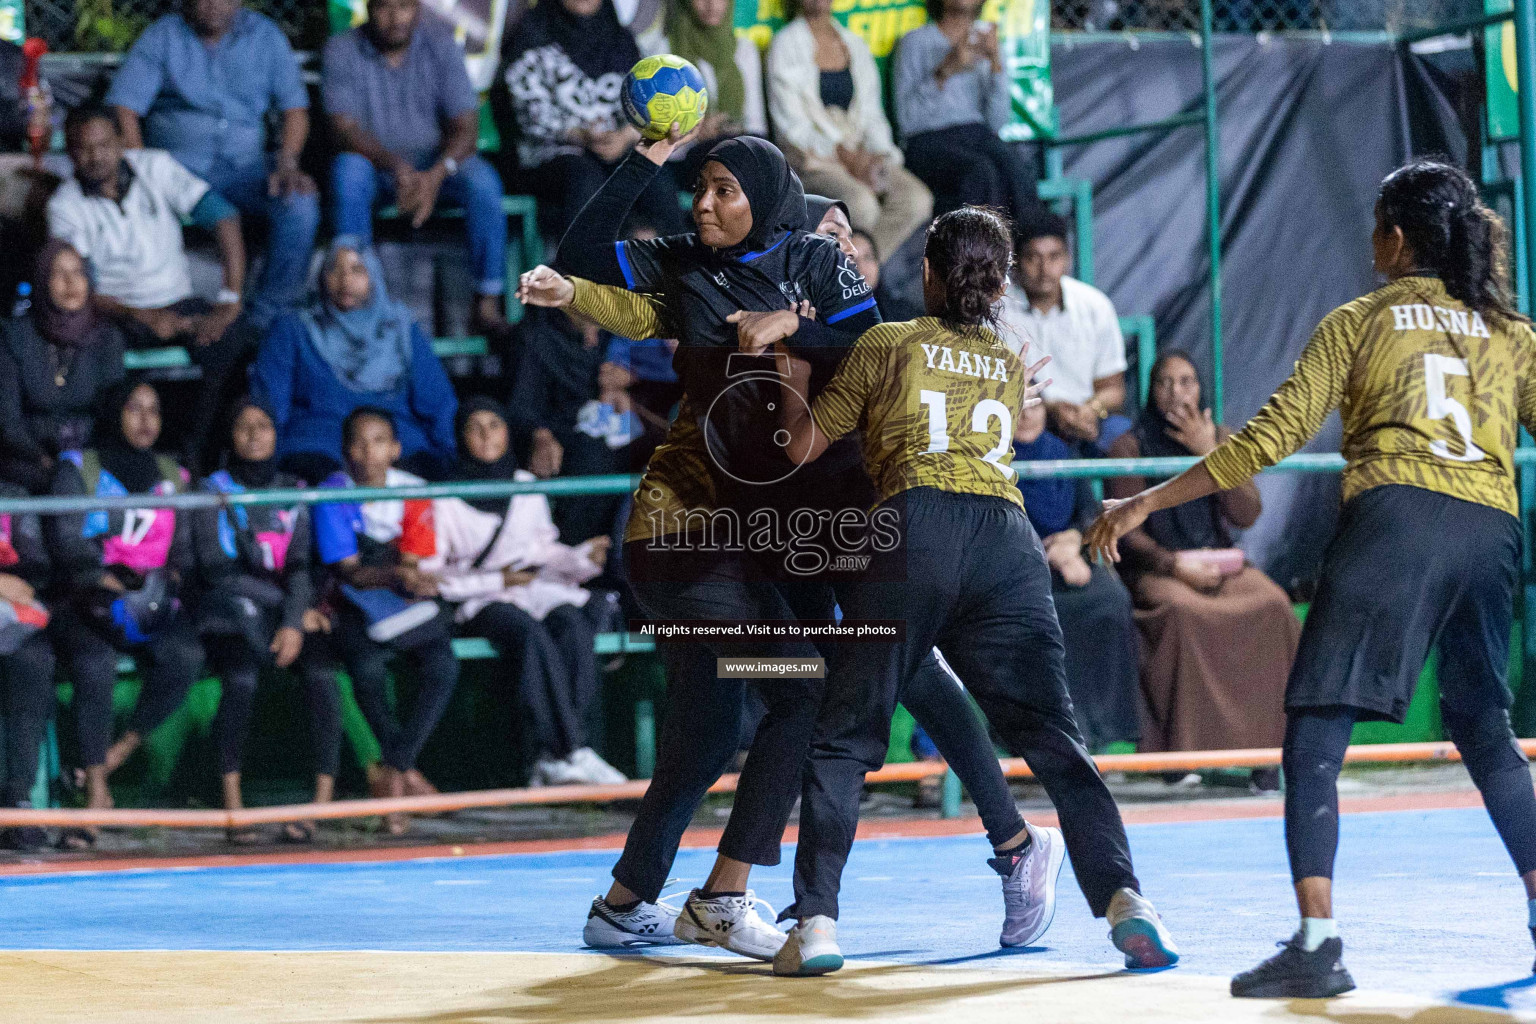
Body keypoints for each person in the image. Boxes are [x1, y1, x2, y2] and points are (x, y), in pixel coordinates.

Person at [523, 139, 1069, 962]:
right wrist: (592, 264)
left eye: (853, 237)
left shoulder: (852, 341)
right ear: (792, 257)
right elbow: (655, 306)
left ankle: (628, 900)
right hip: (710, 541)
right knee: (817, 687)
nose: (845, 247)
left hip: (769, 540)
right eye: (828, 234)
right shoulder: (736, 318)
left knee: (713, 729)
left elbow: (895, 352)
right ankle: (735, 893)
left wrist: (999, 379)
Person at [1088, 159, 1536, 999]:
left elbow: (1265, 439)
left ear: (1397, 239)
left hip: (1397, 516)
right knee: (1485, 728)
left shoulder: (1361, 320)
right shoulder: (1507, 330)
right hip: (1490, 529)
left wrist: (1149, 498)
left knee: (1315, 732)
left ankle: (1319, 940)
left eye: (1376, 224)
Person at [766, 206, 1177, 976]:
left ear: (927, 271)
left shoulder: (887, 342)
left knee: (846, 736)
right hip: (1007, 544)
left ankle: (817, 922)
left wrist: (786, 368)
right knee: (1055, 738)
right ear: (999, 282)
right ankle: (1127, 900)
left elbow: (800, 446)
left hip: (913, 530)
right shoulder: (1007, 358)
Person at [1104, 352, 1298, 774]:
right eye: (1166, 383)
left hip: (1220, 564)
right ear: (1151, 391)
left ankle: (1270, 757)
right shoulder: (1129, 445)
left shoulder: (1221, 438)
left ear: (1201, 389)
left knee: (1274, 605)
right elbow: (1126, 531)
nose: (1177, 392)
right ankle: (1184, 759)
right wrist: (1173, 565)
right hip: (1159, 569)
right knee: (1181, 613)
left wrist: (1208, 451)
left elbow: (1247, 513)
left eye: (1187, 381)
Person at [418, 396, 626, 786]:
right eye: (475, 427)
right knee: (529, 635)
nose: (486, 435)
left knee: (572, 625)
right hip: (480, 598)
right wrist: (500, 582)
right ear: (460, 436)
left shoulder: (525, 485)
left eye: (494, 425)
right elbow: (437, 577)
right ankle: (572, 750)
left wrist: (583, 558)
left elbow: (541, 551)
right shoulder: (444, 496)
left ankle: (556, 756)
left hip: (533, 588)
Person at [48, 105, 255, 474]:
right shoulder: (65, 206)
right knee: (97, 349)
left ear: (122, 144)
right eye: (83, 149)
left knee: (232, 336)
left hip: (176, 300)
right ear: (70, 153)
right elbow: (79, 286)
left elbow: (224, 217)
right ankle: (109, 464)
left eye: (104, 145)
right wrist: (144, 316)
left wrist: (230, 299)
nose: (95, 157)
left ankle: (199, 459)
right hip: (113, 311)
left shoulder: (156, 167)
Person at [45, 381, 204, 848]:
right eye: (134, 409)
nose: (145, 420)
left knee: (186, 655)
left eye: (153, 410)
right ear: (114, 413)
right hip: (87, 600)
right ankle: (96, 789)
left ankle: (114, 754)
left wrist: (164, 580)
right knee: (94, 666)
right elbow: (65, 539)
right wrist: (102, 576)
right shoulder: (79, 469)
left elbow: (182, 550)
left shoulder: (173, 474)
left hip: (147, 604)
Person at [106, 0, 320, 330]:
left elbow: (295, 109)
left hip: (247, 171)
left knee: (299, 203)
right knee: (138, 205)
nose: (212, 4)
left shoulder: (265, 36)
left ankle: (268, 319)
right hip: (180, 176)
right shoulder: (163, 37)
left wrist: (288, 162)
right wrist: (143, 170)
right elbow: (124, 108)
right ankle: (157, 321)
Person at [193, 398, 342, 844]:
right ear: (230, 437)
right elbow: (218, 567)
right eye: (244, 426)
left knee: (321, 674)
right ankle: (233, 805)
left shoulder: (294, 489)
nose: (255, 434)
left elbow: (300, 565)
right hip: (230, 614)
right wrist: (290, 611)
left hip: (284, 614)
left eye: (264, 426)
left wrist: (294, 622)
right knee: (240, 678)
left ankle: (320, 803)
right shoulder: (211, 491)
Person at [312, 407, 461, 835]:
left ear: (395, 448)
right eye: (359, 442)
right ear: (345, 451)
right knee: (367, 670)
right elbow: (350, 572)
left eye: (379, 440)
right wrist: (399, 574)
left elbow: (412, 561)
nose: (368, 451)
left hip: (401, 602)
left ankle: (393, 773)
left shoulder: (414, 491)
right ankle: (407, 776)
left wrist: (410, 578)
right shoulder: (333, 494)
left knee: (443, 666)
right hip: (353, 603)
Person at [322, 0, 510, 334]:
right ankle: (358, 301)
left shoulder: (439, 41)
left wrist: (435, 175)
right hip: (375, 165)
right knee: (347, 171)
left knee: (483, 181)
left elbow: (467, 127)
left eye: (405, 7)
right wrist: (396, 166)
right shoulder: (342, 48)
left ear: (418, 8)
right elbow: (342, 129)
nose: (395, 18)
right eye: (385, 8)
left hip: (435, 166)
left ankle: (486, 302)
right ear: (368, 8)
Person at [250, 237, 459, 483]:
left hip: (399, 447)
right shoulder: (293, 329)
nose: (345, 280)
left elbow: (439, 404)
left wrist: (456, 457)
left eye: (357, 270)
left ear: (374, 276)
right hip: (316, 448)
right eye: (334, 270)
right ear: (320, 277)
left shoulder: (401, 329)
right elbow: (270, 407)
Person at [1011, 399, 1139, 751]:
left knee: (1111, 600)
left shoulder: (1063, 452)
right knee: (1045, 614)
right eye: (1017, 404)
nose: (1026, 414)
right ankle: (1046, 739)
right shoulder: (992, 458)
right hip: (1017, 565)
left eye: (1034, 406)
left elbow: (1087, 512)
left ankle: (1101, 734)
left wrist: (1071, 541)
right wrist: (1046, 553)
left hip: (1069, 556)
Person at [766, 0, 932, 261]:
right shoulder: (785, 44)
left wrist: (878, 156)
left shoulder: (854, 43)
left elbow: (872, 115)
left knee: (916, 199)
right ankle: (854, 281)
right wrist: (845, 156)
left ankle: (862, 273)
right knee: (861, 204)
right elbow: (791, 127)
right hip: (812, 159)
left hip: (861, 152)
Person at [501, 0, 683, 236]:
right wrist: (579, 134)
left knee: (651, 173)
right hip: (554, 154)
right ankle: (581, 270)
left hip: (618, 148)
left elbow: (647, 105)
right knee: (584, 178)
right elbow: (529, 113)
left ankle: (671, 266)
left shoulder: (621, 40)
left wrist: (626, 136)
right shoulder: (532, 36)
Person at [892, 0, 1045, 230]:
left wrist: (995, 64)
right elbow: (908, 121)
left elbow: (997, 122)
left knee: (1016, 169)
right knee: (980, 172)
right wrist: (945, 71)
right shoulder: (915, 41)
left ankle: (1027, 258)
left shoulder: (986, 43)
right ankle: (979, 261)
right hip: (927, 141)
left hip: (975, 134)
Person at [0, 241, 126, 494]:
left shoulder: (107, 338)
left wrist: (79, 464)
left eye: (78, 272)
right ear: (42, 280)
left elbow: (112, 415)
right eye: (59, 273)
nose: (71, 283)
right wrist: (43, 459)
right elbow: (7, 420)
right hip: (26, 461)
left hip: (91, 464)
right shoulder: (16, 336)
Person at [998, 215, 1131, 453]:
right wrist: (1049, 410)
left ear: (1067, 259)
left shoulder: (1095, 306)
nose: (1044, 269)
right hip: (1023, 419)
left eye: (1054, 257)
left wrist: (1090, 409)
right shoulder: (997, 311)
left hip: (1086, 417)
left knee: (1124, 438)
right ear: (1016, 262)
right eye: (1033, 258)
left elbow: (1114, 388)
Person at [509, 305, 633, 545]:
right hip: (560, 433)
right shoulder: (537, 335)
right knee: (590, 456)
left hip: (622, 424)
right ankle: (582, 556)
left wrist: (632, 380)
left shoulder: (625, 327)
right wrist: (540, 435)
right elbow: (523, 404)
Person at [651, 0, 768, 178]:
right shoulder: (665, 51)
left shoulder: (744, 49)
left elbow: (756, 126)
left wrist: (732, 129)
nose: (712, 5)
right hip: (686, 160)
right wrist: (696, 133)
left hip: (739, 153)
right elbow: (658, 140)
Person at [0, 480, 55, 852]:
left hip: (7, 616)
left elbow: (35, 565)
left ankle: (17, 802)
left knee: (33, 661)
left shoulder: (13, 495)